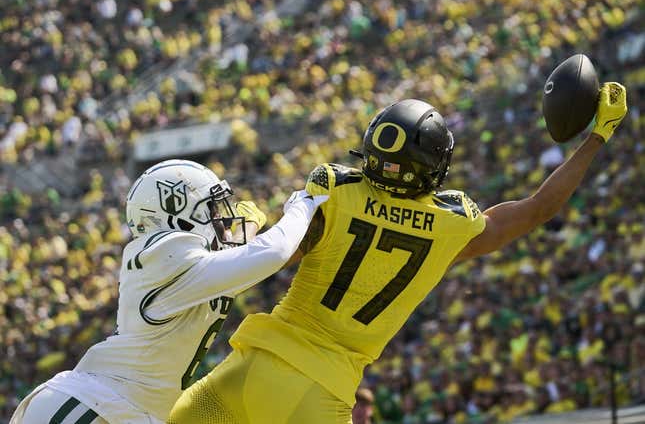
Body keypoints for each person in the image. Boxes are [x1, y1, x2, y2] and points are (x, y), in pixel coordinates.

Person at [169, 83, 628, 423]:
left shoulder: (336, 193)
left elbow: (260, 258)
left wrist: (244, 227)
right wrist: (597, 136)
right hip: (319, 393)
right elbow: (538, 209)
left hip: (246, 368)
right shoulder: (451, 224)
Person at [10, 159, 327, 424]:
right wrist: (303, 205)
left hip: (125, 410)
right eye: (211, 209)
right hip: (94, 403)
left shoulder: (189, 266)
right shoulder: (162, 253)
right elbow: (270, 254)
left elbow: (242, 260)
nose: (219, 218)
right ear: (177, 213)